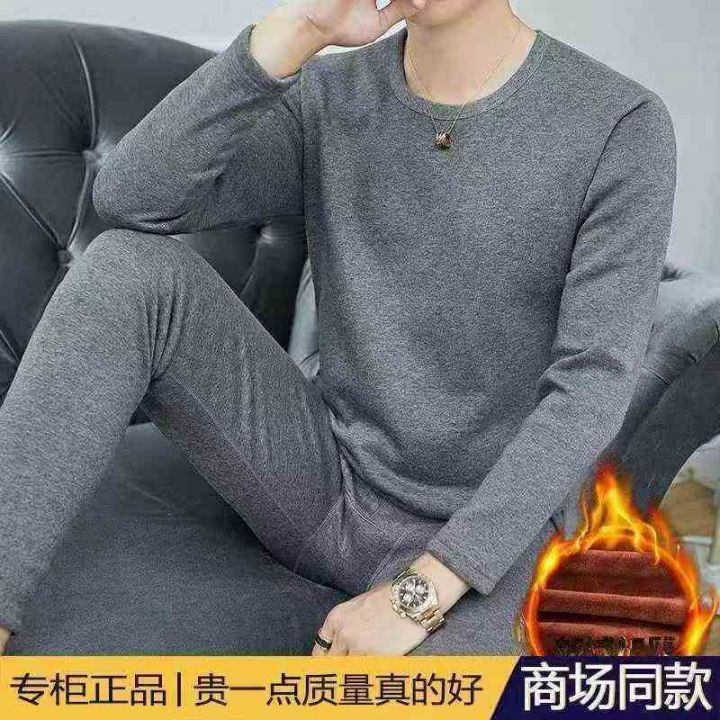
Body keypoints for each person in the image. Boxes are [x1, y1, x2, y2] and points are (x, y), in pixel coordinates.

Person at [0, 0, 676, 655]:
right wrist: (296, 31)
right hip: (324, 486)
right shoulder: (332, 95)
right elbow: (133, 200)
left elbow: (590, 387)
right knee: (126, 269)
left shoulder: (619, 125)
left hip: (490, 545)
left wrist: (422, 592)